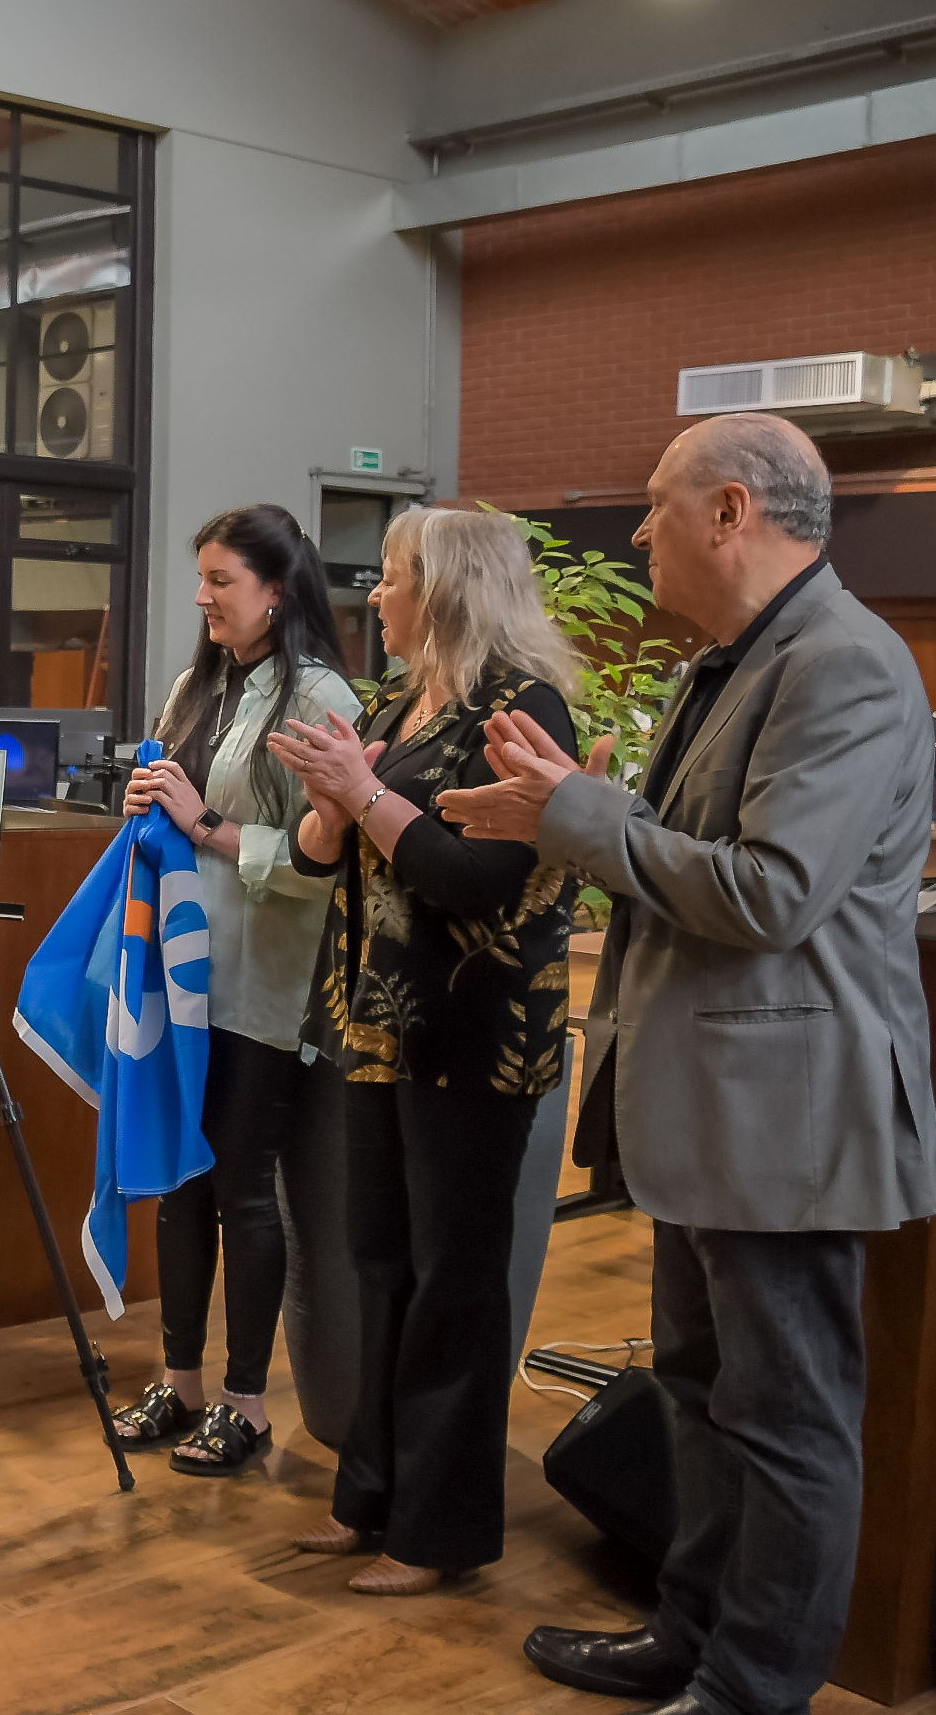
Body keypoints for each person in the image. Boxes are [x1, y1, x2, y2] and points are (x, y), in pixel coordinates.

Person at [438, 416, 936, 1715]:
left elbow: (770, 896)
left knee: (783, 1428)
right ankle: (690, 1637)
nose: (639, 532)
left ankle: (752, 1688)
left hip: (787, 1121)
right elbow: (685, 852)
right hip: (714, 1113)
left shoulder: (845, 667)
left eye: (655, 508)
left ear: (731, 513)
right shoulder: (736, 661)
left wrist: (581, 818)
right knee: (701, 1397)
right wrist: (576, 806)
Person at [266, 505, 582, 1596]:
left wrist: (368, 796)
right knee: (379, 1264)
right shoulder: (404, 701)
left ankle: (438, 1532)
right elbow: (329, 861)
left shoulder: (523, 708)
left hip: (473, 1032)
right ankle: (369, 1500)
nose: (376, 594)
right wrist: (329, 806)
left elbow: (484, 878)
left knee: (456, 1279)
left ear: (447, 587)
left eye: (393, 576)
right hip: (379, 1022)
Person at [100, 505, 361, 1476]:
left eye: (220, 580)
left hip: (262, 987)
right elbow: (175, 805)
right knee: (181, 1183)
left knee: (245, 1192)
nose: (203, 597)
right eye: (201, 578)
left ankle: (246, 1402)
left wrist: (204, 823)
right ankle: (183, 1380)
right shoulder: (197, 685)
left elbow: (324, 861)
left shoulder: (320, 696)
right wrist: (147, 806)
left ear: (276, 591)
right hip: (183, 978)